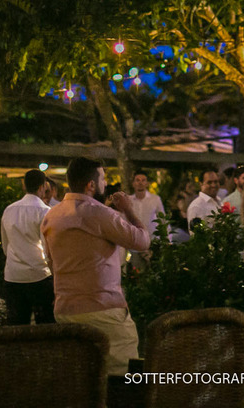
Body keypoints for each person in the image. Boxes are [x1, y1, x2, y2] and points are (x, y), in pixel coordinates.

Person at [41, 156, 150, 376]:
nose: (105, 184)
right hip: (103, 311)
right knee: (121, 377)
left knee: (80, 378)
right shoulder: (100, 214)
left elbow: (51, 262)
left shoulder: (50, 217)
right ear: (91, 185)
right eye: (103, 179)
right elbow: (142, 240)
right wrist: (128, 209)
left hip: (65, 310)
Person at [1, 169, 55, 325]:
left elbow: (6, 245)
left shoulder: (9, 210)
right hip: (39, 275)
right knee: (45, 325)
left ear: (24, 185)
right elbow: (48, 248)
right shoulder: (45, 212)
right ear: (43, 186)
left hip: (13, 275)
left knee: (17, 326)